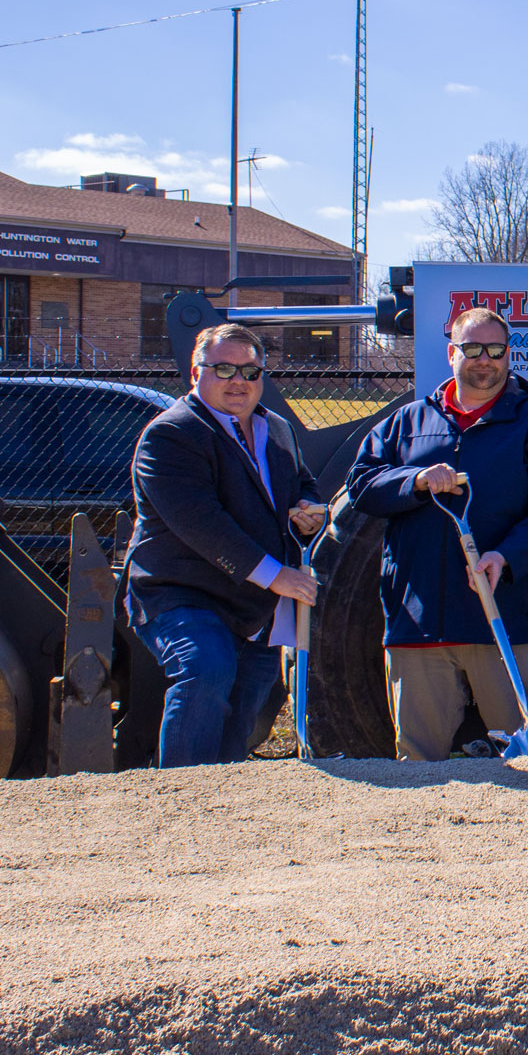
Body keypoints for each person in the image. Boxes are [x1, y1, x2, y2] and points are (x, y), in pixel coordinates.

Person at [347, 308, 528, 760]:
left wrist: (505, 557)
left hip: (509, 620)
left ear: (509, 356)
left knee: (524, 759)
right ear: (452, 352)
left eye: (495, 350)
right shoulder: (407, 423)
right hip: (421, 622)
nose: (484, 360)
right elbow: (360, 483)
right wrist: (413, 481)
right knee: (418, 762)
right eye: (472, 349)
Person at [126, 323, 323, 767]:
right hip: (183, 593)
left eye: (250, 372)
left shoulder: (277, 430)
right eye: (224, 369)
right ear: (196, 373)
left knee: (244, 709)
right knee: (206, 667)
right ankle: (182, 796)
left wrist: (312, 509)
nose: (239, 381)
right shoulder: (172, 434)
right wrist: (278, 576)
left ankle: (224, 811)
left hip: (255, 606)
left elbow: (301, 485)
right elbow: (200, 522)